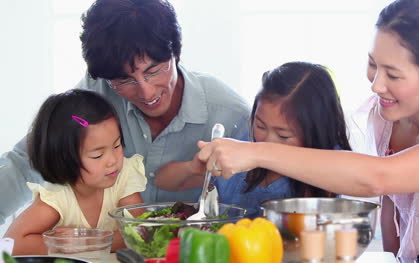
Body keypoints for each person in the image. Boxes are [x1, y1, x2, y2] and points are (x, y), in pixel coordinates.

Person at [197, 0, 419, 260]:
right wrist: (394, 258)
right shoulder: (388, 115)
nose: (376, 85)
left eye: (393, 75)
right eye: (373, 64)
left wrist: (257, 152)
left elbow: (380, 177)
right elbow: (392, 204)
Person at [0, 0, 250, 224]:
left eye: (154, 71)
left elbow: (253, 202)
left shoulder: (231, 115)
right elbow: (28, 159)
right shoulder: (96, 92)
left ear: (175, 54)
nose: (146, 92)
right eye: (124, 81)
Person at [157, 61, 352, 216]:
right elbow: (162, 180)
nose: (266, 141)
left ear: (316, 133)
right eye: (260, 125)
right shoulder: (242, 146)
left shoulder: (327, 168)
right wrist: (193, 168)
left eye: (283, 135)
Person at [4, 89, 147, 254]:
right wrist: (65, 245)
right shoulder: (59, 196)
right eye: (97, 155)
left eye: (117, 145)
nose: (113, 160)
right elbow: (11, 243)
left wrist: (86, 241)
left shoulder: (124, 176)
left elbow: (142, 233)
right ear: (64, 159)